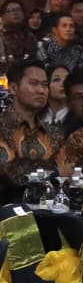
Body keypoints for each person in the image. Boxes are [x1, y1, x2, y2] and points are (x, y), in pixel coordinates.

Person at [0, 60, 61, 202]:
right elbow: (12, 175)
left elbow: (68, 171)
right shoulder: (2, 127)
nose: (41, 90)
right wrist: (56, 172)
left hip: (49, 207)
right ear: (13, 88)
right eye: (33, 83)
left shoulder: (53, 132)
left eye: (44, 85)